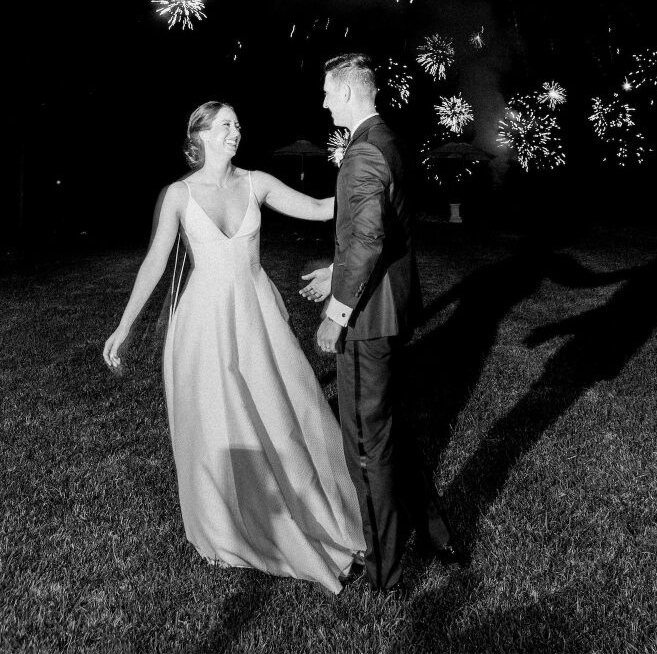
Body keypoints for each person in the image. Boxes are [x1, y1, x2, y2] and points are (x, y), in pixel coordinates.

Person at [102, 101, 364, 594]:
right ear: (198, 133)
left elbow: (320, 209)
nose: (235, 132)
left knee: (285, 413)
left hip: (255, 316)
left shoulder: (256, 182)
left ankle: (309, 508)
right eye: (225, 125)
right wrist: (124, 326)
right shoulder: (179, 195)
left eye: (239, 125)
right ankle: (224, 524)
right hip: (201, 324)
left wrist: (359, 174)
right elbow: (154, 265)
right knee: (216, 423)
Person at [299, 53, 461, 596]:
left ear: (347, 93)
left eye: (327, 91)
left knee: (367, 446)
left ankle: (385, 575)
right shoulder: (387, 138)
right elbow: (376, 232)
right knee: (389, 429)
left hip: (368, 319)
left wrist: (335, 313)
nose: (322, 101)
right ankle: (436, 533)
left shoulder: (363, 150)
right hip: (388, 303)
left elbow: (368, 240)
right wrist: (335, 269)